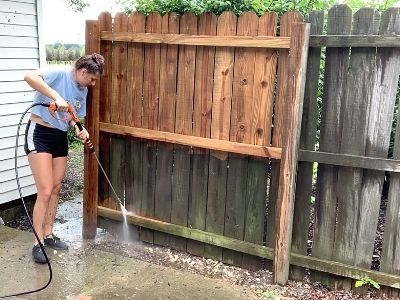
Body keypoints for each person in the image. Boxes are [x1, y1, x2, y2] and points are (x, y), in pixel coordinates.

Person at [23, 53, 104, 264]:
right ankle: (37, 242)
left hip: (59, 137)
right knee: (46, 190)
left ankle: (49, 234)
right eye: (92, 78)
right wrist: (56, 96)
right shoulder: (59, 73)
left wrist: (78, 128)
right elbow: (29, 76)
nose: (93, 84)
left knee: (57, 187)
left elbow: (70, 115)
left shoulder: (83, 89)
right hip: (39, 133)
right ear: (83, 72)